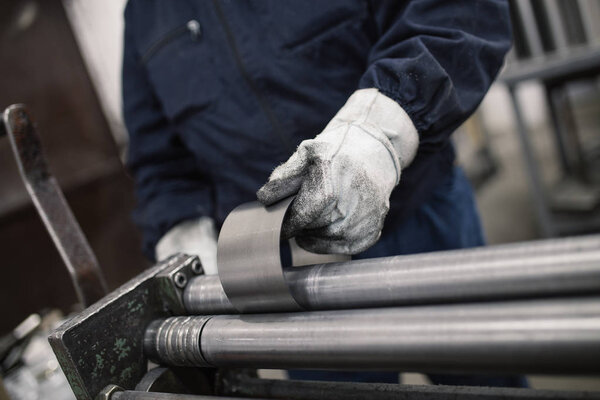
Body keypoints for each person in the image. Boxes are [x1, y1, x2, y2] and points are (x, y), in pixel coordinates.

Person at [123, 0, 524, 386]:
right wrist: (183, 232)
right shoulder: (145, 12)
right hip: (287, 276)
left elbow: (454, 15)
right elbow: (158, 157)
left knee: (485, 377)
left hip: (418, 215)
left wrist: (376, 133)